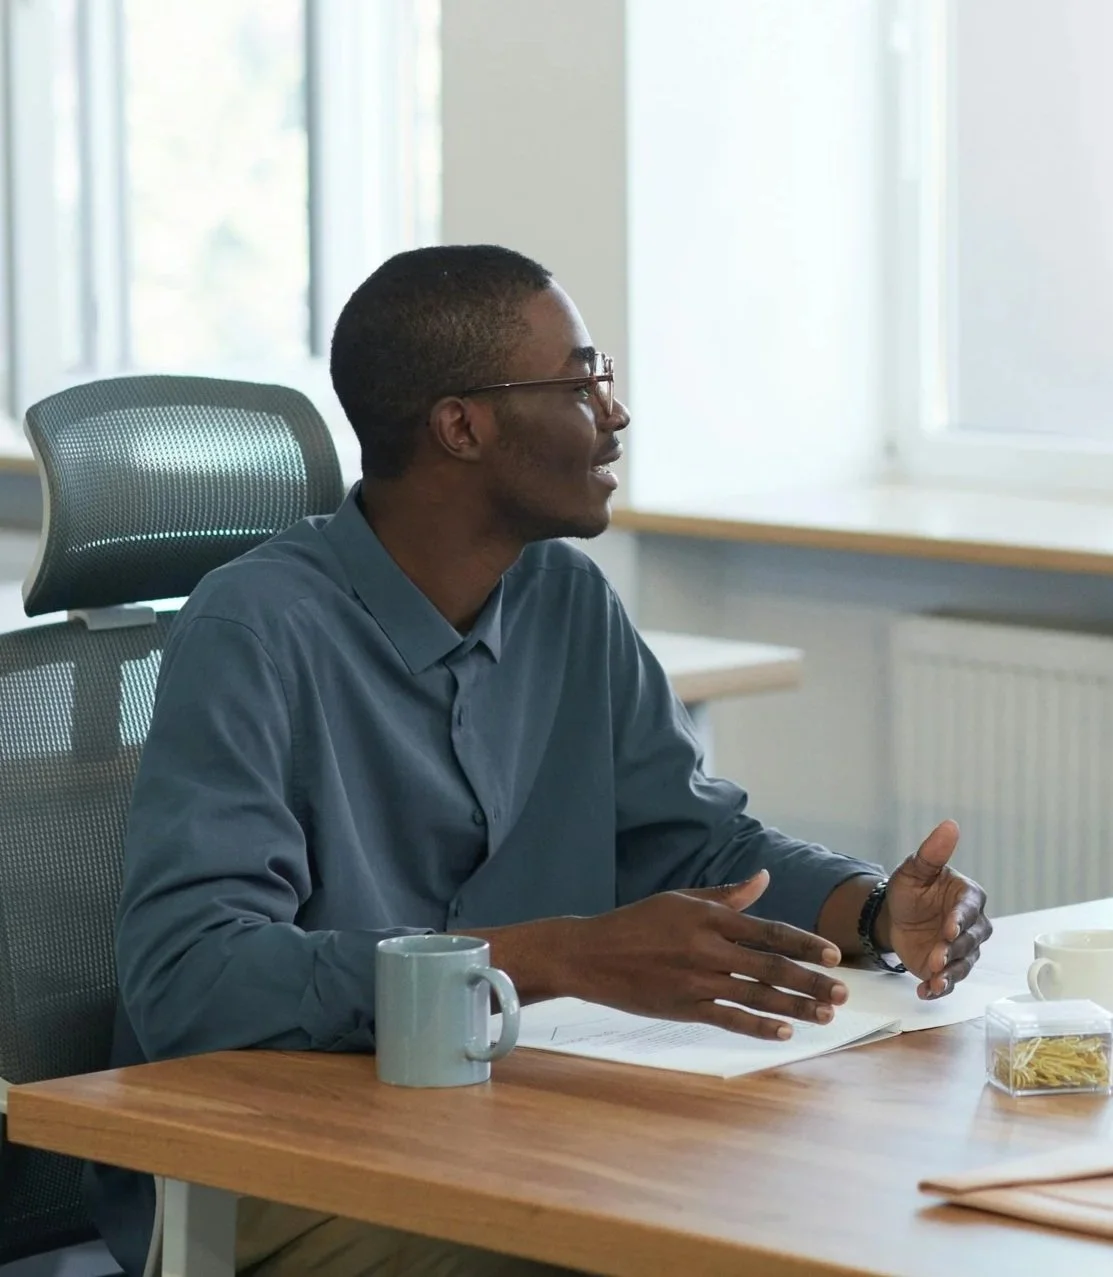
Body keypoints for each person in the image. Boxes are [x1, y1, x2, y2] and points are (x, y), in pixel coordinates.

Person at [87, 245, 991, 1276]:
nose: (613, 414)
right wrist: (552, 956)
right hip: (277, 1162)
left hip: (505, 1125)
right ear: (462, 424)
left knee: (819, 1186)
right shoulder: (255, 629)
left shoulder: (567, 599)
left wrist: (872, 910)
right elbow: (192, 976)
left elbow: (697, 842)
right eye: (581, 382)